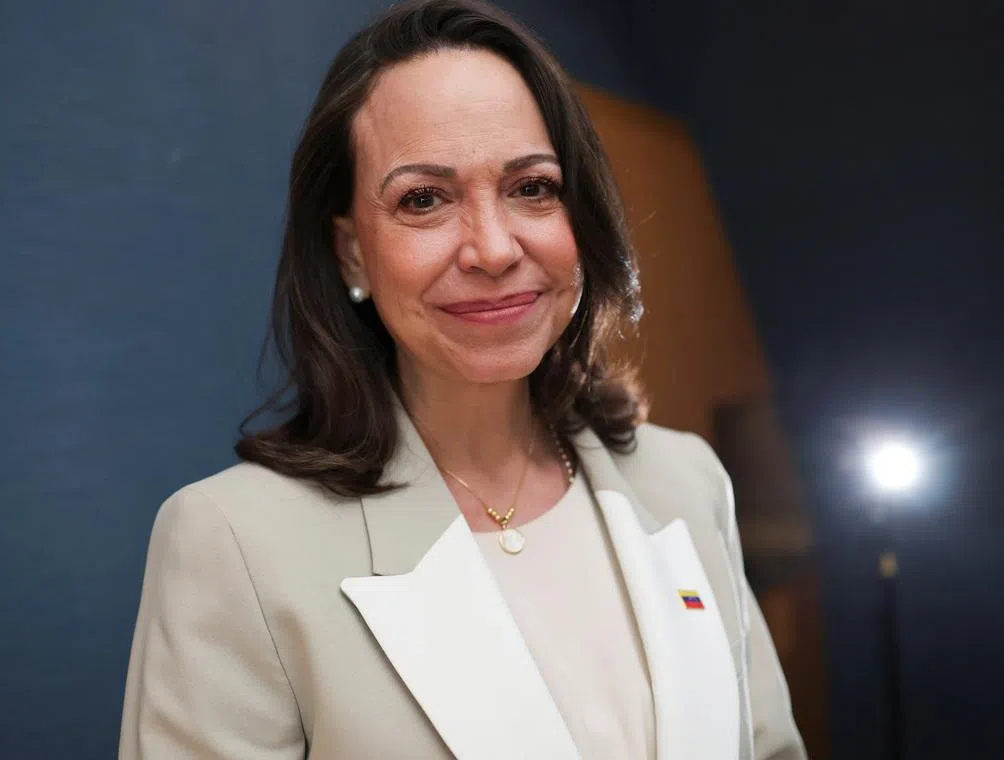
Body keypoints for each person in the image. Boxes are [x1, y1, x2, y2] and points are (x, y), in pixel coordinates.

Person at [119, 1, 806, 758]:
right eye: (424, 199)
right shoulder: (232, 543)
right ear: (350, 253)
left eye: (532, 187)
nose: (492, 247)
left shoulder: (686, 480)